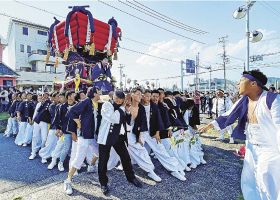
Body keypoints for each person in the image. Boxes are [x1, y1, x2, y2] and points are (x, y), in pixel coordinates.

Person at [199, 69, 280, 200]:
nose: (237, 84)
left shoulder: (272, 99)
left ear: (253, 84)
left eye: (241, 80)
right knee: (250, 181)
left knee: (267, 182)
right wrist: (208, 126)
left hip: (270, 150)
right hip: (251, 147)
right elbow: (228, 115)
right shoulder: (244, 100)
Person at [97, 90, 142, 195]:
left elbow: (128, 120)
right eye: (116, 99)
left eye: (120, 100)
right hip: (106, 137)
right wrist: (122, 108)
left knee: (126, 157)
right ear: (113, 97)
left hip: (119, 137)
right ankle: (103, 183)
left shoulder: (122, 107)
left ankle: (131, 177)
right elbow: (114, 119)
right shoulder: (106, 105)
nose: (118, 101)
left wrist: (127, 110)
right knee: (103, 161)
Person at [63, 87, 101, 195]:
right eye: (98, 93)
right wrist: (78, 123)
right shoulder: (86, 102)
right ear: (94, 94)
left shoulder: (96, 103)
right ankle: (68, 181)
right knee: (79, 159)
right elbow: (71, 111)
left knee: (98, 152)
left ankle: (91, 166)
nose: (100, 95)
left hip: (92, 136)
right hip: (84, 136)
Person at [142, 89, 186, 181]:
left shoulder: (160, 106)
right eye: (152, 96)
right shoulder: (143, 105)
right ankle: (148, 170)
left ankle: (175, 169)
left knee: (165, 151)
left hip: (157, 132)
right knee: (141, 152)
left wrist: (168, 128)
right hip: (142, 133)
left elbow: (164, 119)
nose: (154, 98)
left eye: (156, 96)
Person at [126, 88, 162, 182]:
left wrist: (140, 137)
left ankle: (150, 170)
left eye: (140, 94)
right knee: (111, 156)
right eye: (138, 94)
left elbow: (142, 124)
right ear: (132, 94)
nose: (140, 96)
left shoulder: (141, 108)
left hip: (132, 134)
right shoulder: (125, 105)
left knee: (141, 150)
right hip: (120, 133)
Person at [48, 91, 76, 171]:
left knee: (72, 149)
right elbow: (57, 118)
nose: (71, 97)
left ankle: (74, 164)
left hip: (75, 131)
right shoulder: (62, 107)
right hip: (65, 131)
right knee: (63, 147)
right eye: (69, 95)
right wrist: (58, 129)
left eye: (73, 95)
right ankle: (58, 162)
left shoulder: (77, 105)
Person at [29, 92, 51, 159]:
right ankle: (33, 152)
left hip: (45, 123)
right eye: (44, 96)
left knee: (44, 139)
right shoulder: (39, 103)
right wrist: (32, 120)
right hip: (37, 121)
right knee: (35, 137)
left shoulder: (50, 103)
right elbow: (36, 112)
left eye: (46, 96)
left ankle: (42, 153)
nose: (45, 97)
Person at [39, 92, 60, 163]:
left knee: (57, 144)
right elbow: (55, 116)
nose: (59, 98)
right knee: (50, 143)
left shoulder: (60, 105)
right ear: (53, 98)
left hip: (60, 128)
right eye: (57, 96)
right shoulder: (52, 106)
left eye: (59, 96)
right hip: (54, 126)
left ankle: (55, 157)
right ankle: (44, 155)